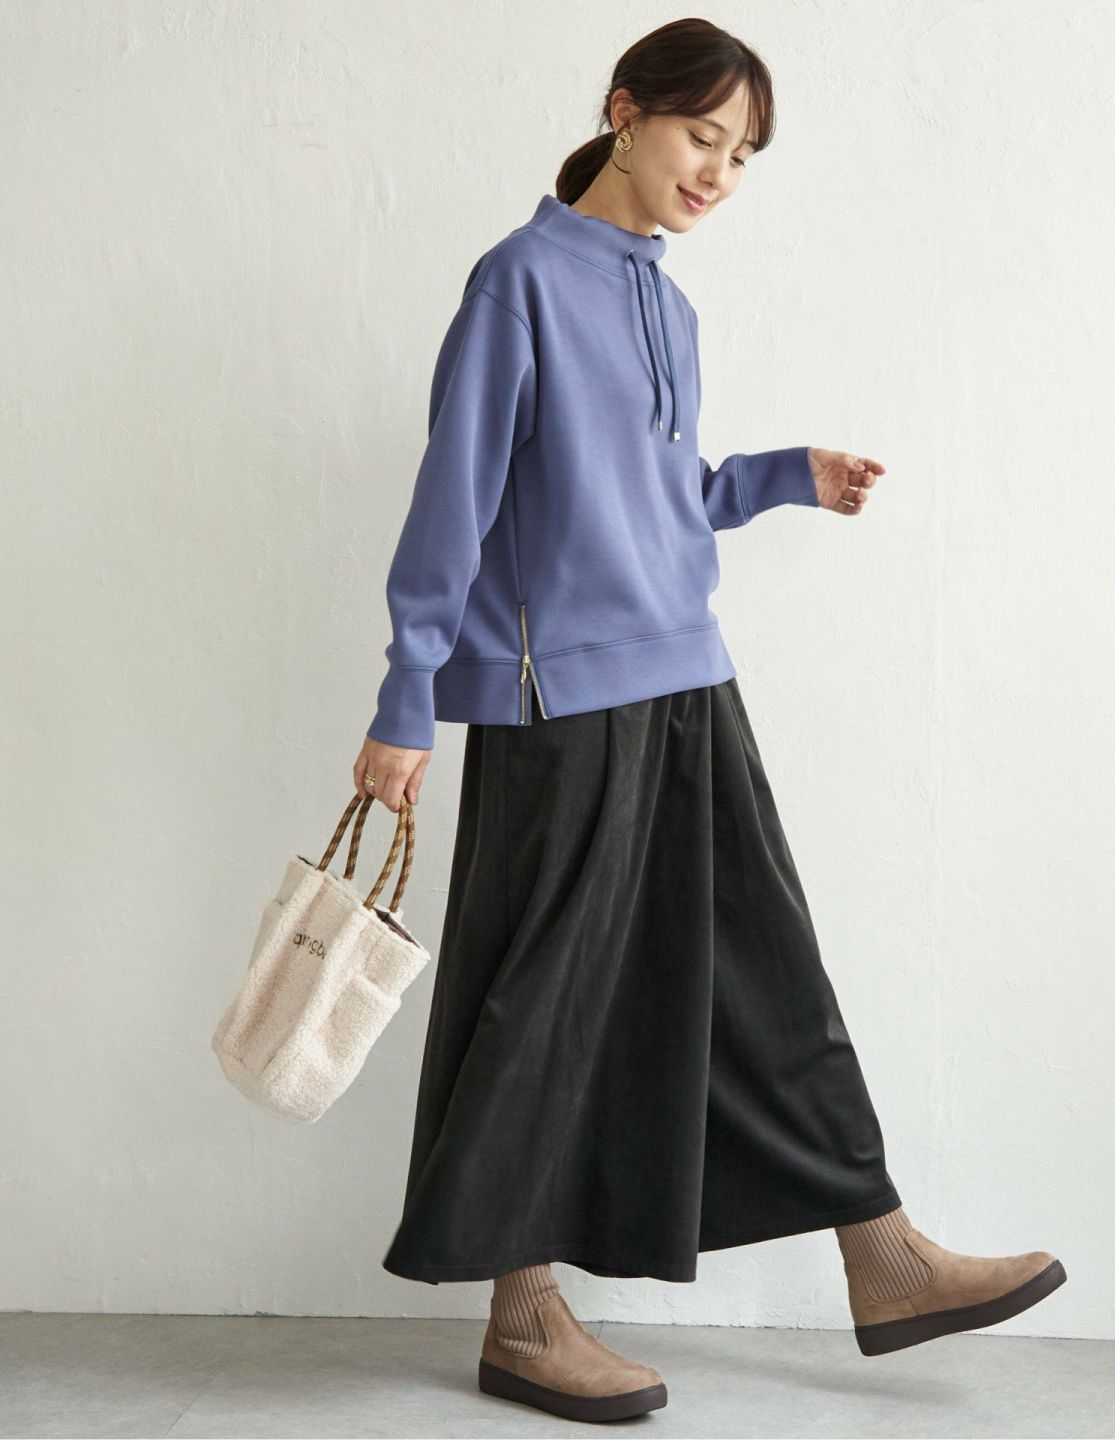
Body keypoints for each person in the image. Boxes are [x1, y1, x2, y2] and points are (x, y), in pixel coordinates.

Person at [353, 18, 1066, 1425]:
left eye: (742, 156)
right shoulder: (518, 283)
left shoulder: (668, 307)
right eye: (702, 136)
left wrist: (779, 476)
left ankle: (883, 1253)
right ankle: (522, 1315)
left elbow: (651, 494)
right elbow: (455, 506)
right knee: (545, 996)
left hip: (688, 676)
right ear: (625, 111)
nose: (719, 173)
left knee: (765, 969)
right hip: (559, 695)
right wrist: (404, 702)